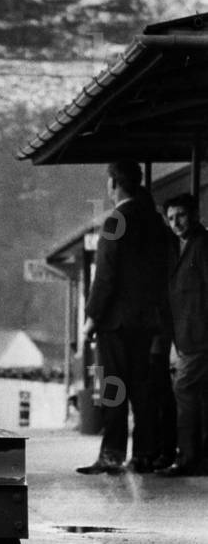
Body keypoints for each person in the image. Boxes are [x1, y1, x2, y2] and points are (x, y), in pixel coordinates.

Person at [76, 161, 167, 475]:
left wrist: (91, 319)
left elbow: (105, 275)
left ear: (114, 184)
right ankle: (144, 454)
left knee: (113, 387)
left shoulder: (116, 220)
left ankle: (112, 455)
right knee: (142, 390)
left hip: (115, 323)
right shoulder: (154, 220)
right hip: (146, 322)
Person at [155, 193, 208, 476]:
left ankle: (187, 458)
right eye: (171, 218)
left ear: (195, 214)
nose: (176, 223)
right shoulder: (183, 247)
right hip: (188, 338)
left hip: (200, 338)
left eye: (181, 216)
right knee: (198, 396)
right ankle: (197, 457)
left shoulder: (202, 246)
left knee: (185, 390)